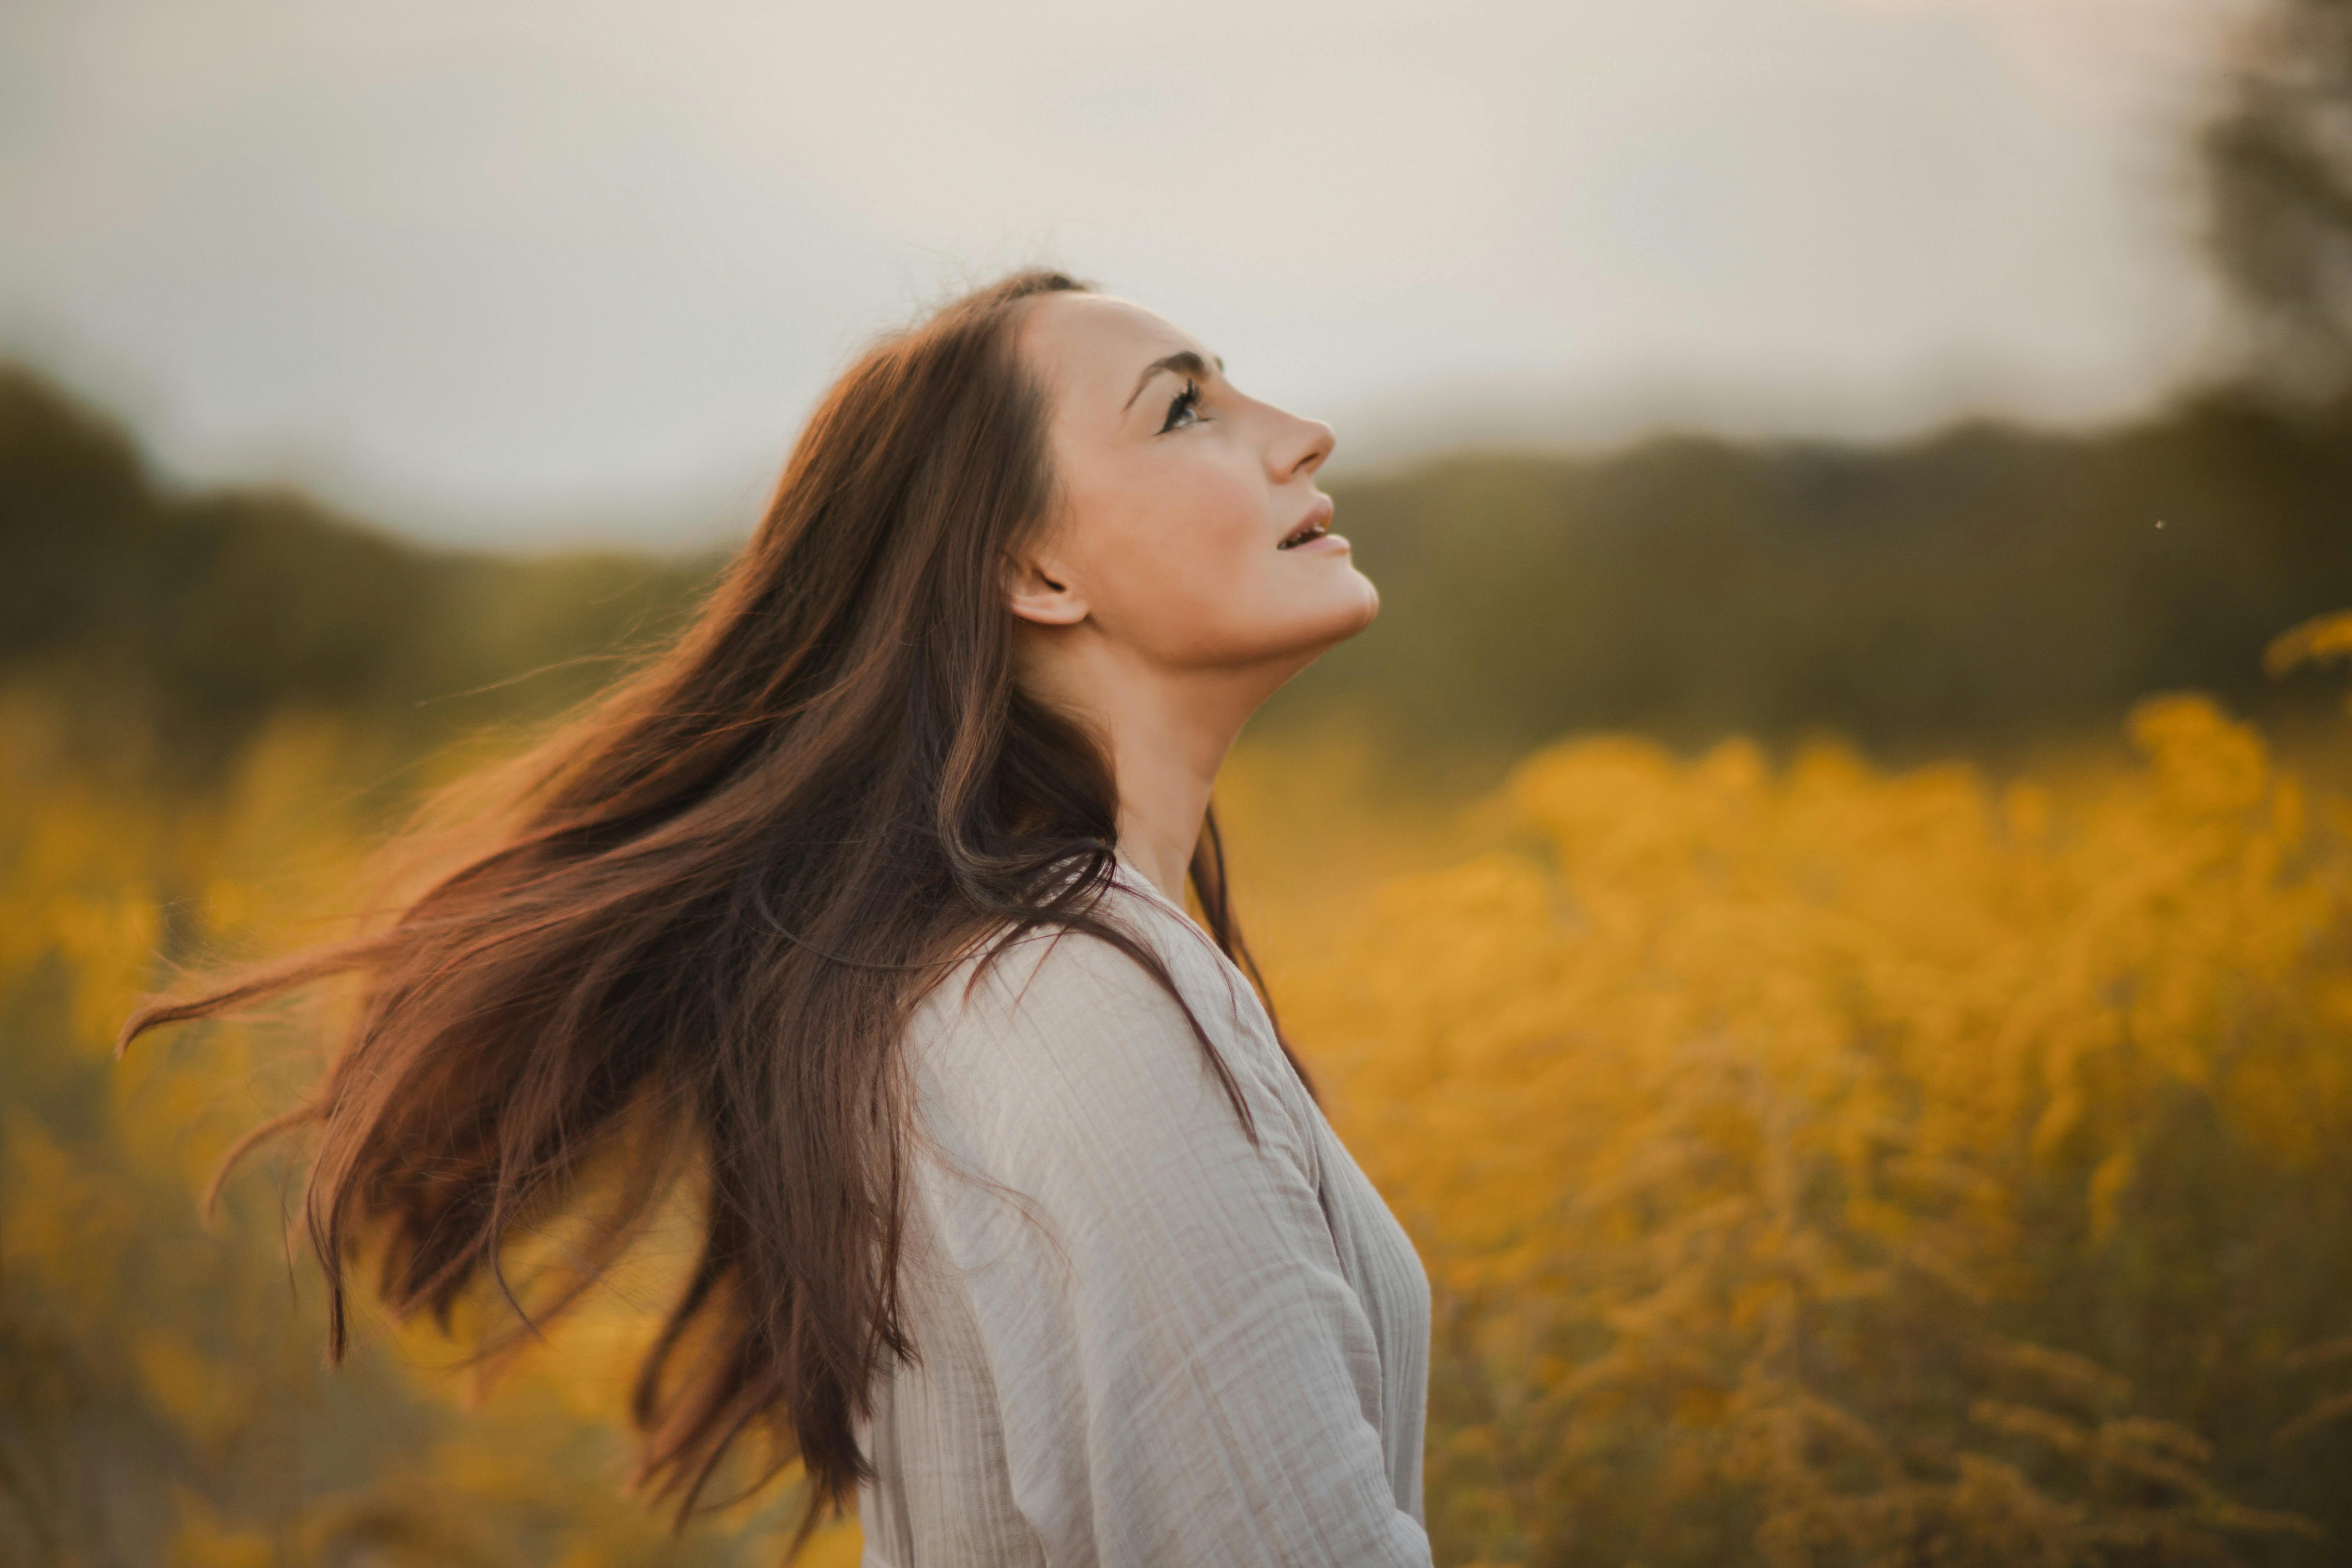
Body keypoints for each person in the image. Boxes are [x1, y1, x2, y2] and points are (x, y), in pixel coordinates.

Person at [121, 270, 1433, 1566]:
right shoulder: (1076, 999)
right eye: (1184, 409)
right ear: (1035, 569)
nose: (1299, 432)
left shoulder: (1041, 968)